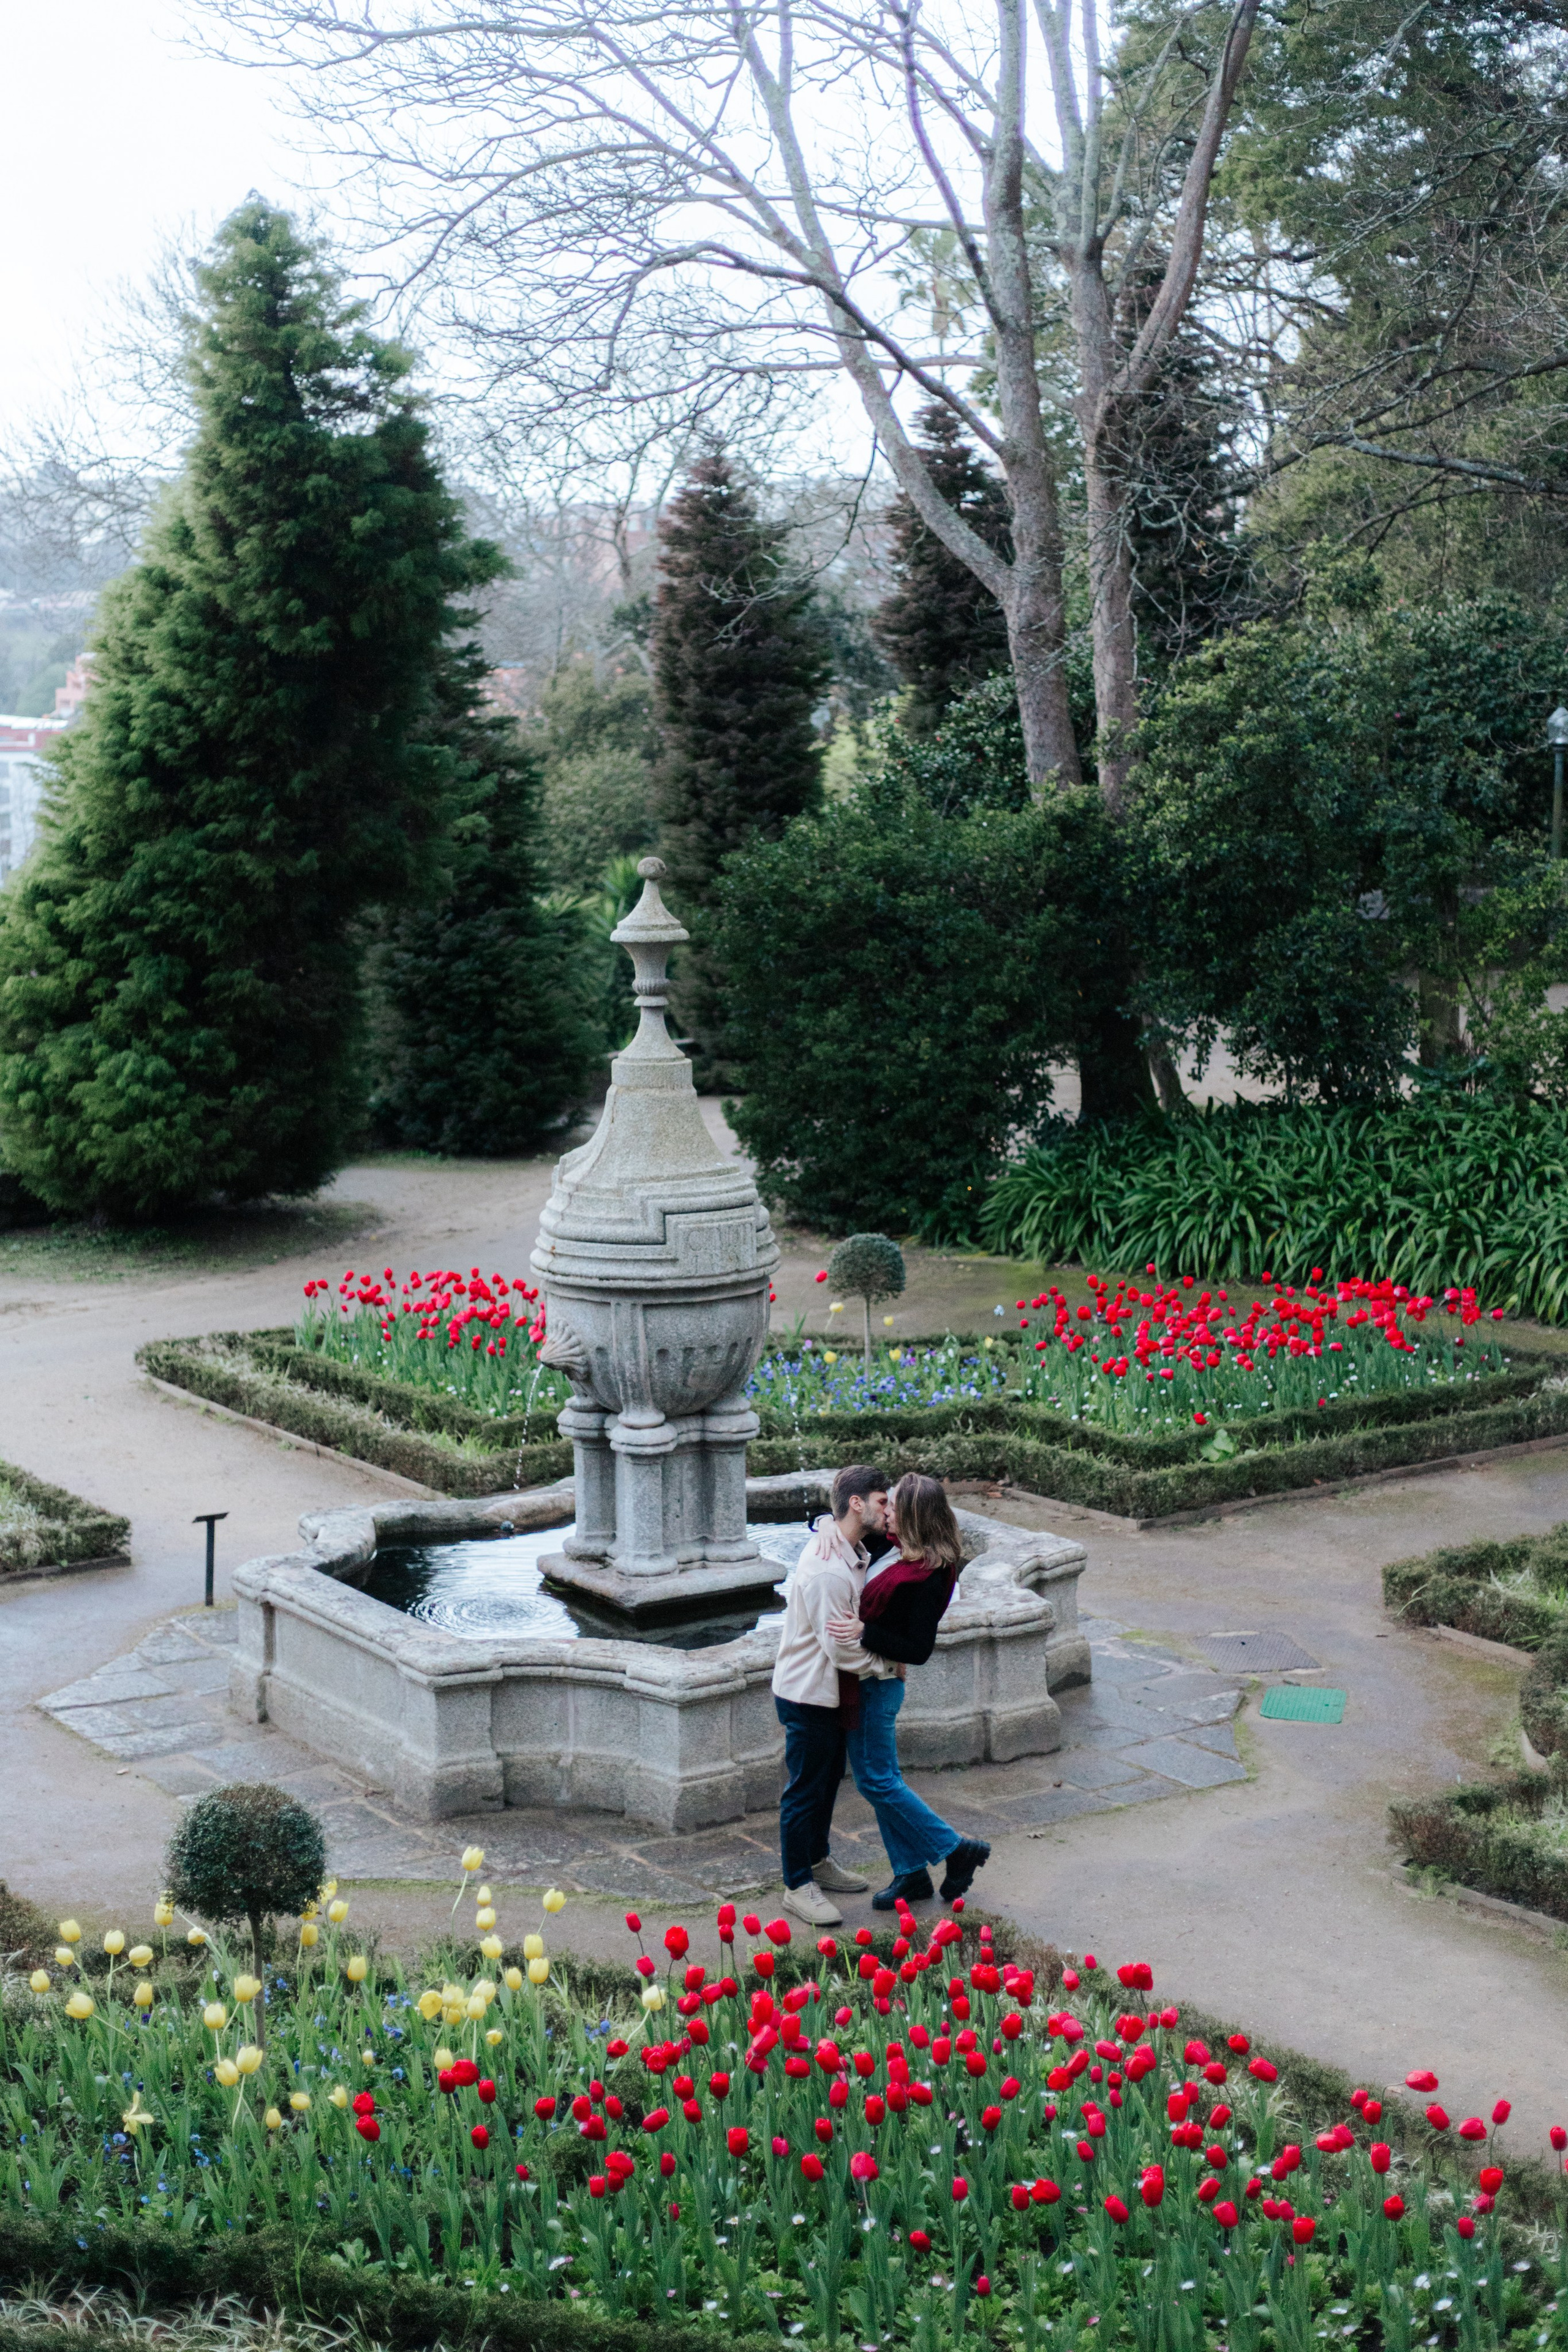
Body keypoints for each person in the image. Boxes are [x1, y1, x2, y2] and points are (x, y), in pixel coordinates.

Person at [829, 1470, 990, 1911]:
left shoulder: (929, 1575)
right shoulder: (897, 1549)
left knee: (877, 1781)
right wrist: (825, 1526)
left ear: (914, 1516)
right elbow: (845, 1526)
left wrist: (865, 1632)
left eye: (894, 1506)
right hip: (870, 1680)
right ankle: (911, 1874)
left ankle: (956, 1849)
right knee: (882, 1780)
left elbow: (918, 1650)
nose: (886, 1512)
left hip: (879, 1687)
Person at [769, 1463, 891, 1928]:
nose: (888, 1510)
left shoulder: (848, 1545)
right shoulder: (828, 1572)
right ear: (858, 1504)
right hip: (808, 1694)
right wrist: (888, 1666)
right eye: (882, 1501)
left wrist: (825, 1522)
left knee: (826, 1780)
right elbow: (842, 1651)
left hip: (830, 1691)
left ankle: (817, 1860)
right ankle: (797, 1885)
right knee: (804, 1790)